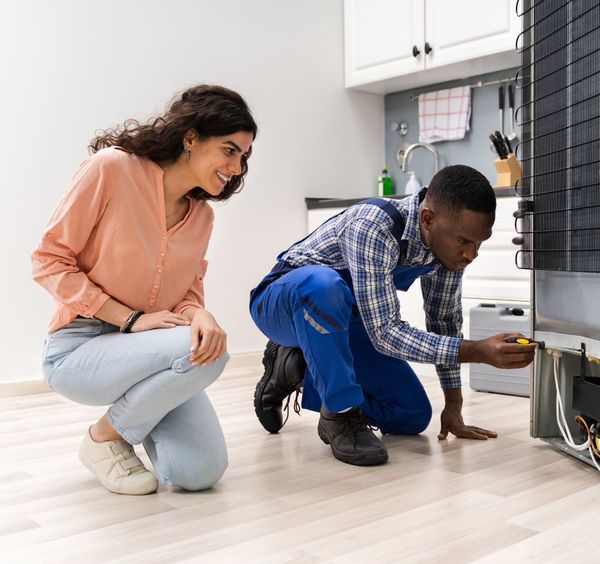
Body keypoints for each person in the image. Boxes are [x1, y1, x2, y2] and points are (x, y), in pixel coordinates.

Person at [32, 84, 257, 494]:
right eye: (229, 150)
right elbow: (48, 260)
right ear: (191, 138)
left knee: (199, 473)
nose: (237, 167)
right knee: (209, 351)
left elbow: (187, 293)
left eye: (243, 156)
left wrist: (199, 312)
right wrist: (130, 319)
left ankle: (128, 423)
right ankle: (106, 438)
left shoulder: (202, 216)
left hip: (152, 350)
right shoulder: (111, 169)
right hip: (78, 348)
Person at [249, 165, 537, 466]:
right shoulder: (373, 225)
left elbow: (444, 322)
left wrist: (454, 403)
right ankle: (340, 415)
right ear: (427, 219)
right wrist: (477, 351)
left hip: (348, 324)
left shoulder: (446, 254)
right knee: (324, 287)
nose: (471, 254)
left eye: (479, 243)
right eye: (464, 241)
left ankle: (293, 368)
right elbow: (385, 333)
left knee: (411, 414)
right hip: (281, 305)